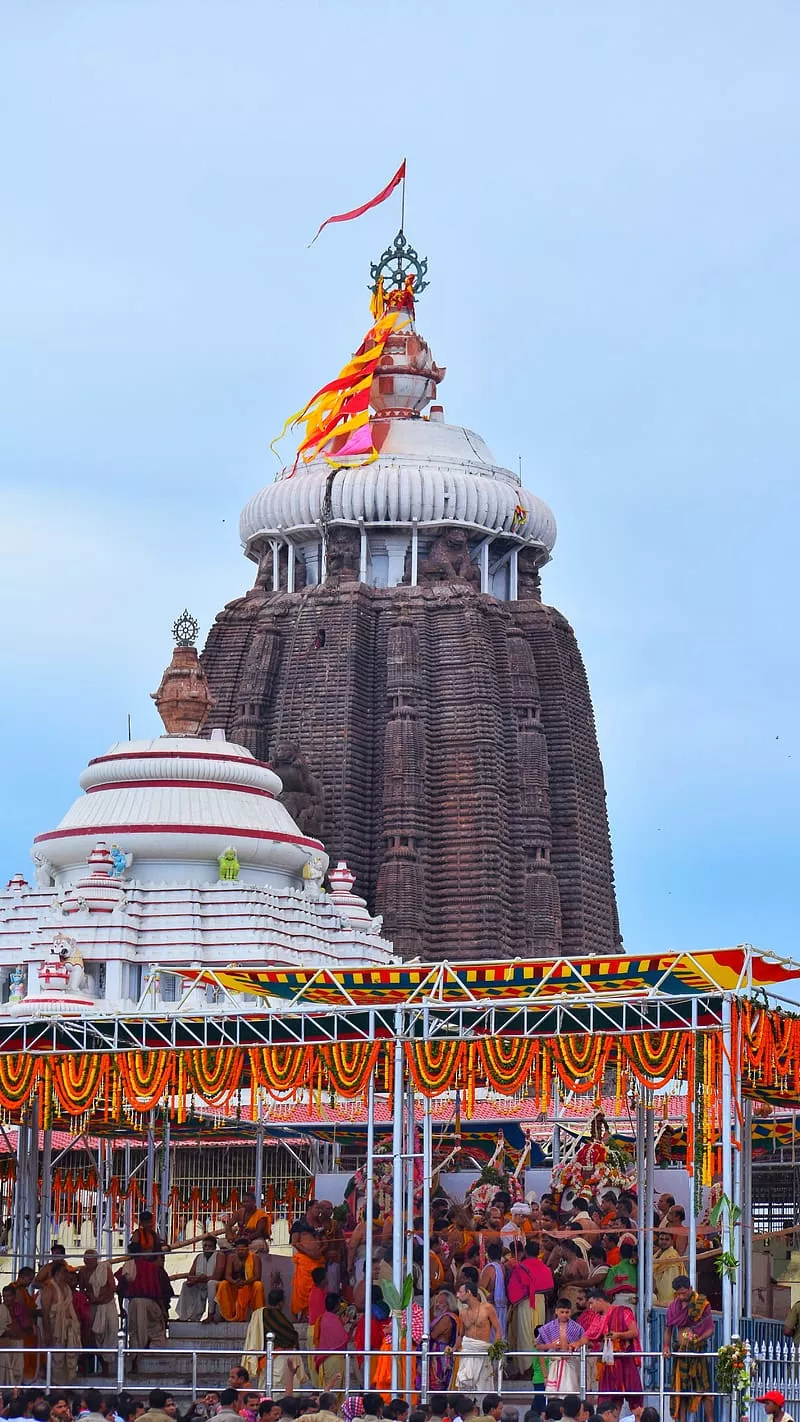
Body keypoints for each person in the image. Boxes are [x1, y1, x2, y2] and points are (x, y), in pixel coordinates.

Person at [663, 1276, 714, 1422]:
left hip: (697, 1352)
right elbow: (668, 1330)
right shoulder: (673, 1306)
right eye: (678, 1294)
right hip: (680, 1353)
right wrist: (666, 1346)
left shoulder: (702, 1304)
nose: (681, 1296)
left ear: (690, 1288)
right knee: (681, 1391)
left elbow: (710, 1329)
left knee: (704, 1390)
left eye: (684, 1293)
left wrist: (698, 1338)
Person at [585, 1290, 642, 1408]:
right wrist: (575, 1345)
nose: (590, 1307)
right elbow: (589, 1335)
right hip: (608, 1362)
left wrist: (618, 1335)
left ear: (600, 1301)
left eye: (591, 1303)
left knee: (635, 1402)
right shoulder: (598, 1318)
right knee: (609, 1404)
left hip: (625, 1361)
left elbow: (634, 1332)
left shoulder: (623, 1312)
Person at [117, 1241, 168, 1367]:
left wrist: (121, 1308)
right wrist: (164, 1310)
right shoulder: (151, 1267)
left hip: (133, 1302)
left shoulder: (127, 1266)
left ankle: (135, 1359)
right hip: (150, 1303)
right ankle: (147, 1350)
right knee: (155, 1329)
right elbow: (158, 1291)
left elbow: (120, 1289)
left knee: (134, 1332)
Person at [508, 1240, 554, 1379]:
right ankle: (536, 1366)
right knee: (537, 1333)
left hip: (525, 1302)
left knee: (524, 1334)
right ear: (538, 1252)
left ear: (526, 1252)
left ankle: (526, 1369)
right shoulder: (545, 1268)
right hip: (539, 1302)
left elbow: (514, 1289)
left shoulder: (520, 1267)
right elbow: (549, 1288)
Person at [453, 1280, 500, 1395]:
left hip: (483, 1351)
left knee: (483, 1387)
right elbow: (461, 1335)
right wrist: (453, 1349)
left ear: (468, 1292)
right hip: (468, 1351)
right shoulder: (463, 1313)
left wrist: (496, 1348)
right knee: (465, 1385)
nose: (457, 1295)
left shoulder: (487, 1308)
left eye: (460, 1292)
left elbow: (498, 1329)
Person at [40, 1258, 81, 1383]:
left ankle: (68, 1384)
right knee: (57, 1358)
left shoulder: (67, 1288)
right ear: (59, 1273)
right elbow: (45, 1312)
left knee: (70, 1356)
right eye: (66, 1272)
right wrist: (47, 1332)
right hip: (55, 1330)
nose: (68, 1274)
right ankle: (57, 1386)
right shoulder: (48, 1287)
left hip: (69, 1328)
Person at [536, 1297, 587, 1397]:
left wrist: (576, 1344)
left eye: (567, 1312)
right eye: (562, 1312)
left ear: (570, 1312)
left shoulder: (576, 1327)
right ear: (556, 1311)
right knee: (554, 1396)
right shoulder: (548, 1327)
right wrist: (552, 1345)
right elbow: (538, 1345)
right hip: (555, 1362)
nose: (564, 1315)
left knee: (570, 1394)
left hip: (571, 1362)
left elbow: (586, 1340)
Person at [79, 1249, 120, 1374]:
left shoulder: (104, 1269)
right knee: (93, 1336)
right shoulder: (83, 1272)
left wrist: (102, 1298)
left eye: (91, 1259)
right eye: (86, 1259)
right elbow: (81, 1289)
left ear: (96, 1259)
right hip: (93, 1307)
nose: (88, 1262)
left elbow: (112, 1287)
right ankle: (92, 1367)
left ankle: (107, 1368)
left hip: (107, 1306)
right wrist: (90, 1297)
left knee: (110, 1333)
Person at [289, 1203, 327, 1318]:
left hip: (318, 1261)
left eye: (320, 1208)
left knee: (317, 1288)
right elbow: (295, 1242)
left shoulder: (320, 1224)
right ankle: (302, 1315)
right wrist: (309, 1252)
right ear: (309, 1208)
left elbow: (325, 1242)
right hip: (305, 1261)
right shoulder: (299, 1224)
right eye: (317, 1207)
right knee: (302, 1289)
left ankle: (315, 1314)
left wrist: (320, 1250)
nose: (319, 1210)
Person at [216, 1242, 266, 1323]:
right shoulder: (231, 1258)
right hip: (235, 1286)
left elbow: (257, 1276)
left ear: (247, 1249)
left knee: (258, 1285)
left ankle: (258, 1316)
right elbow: (227, 1276)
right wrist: (235, 1282)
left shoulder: (255, 1257)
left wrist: (245, 1282)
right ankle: (229, 1315)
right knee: (223, 1284)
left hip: (249, 1286)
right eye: (238, 1250)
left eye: (242, 1250)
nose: (240, 1252)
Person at [178, 1235, 220, 1323]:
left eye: (210, 1246)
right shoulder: (199, 1257)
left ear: (215, 1247)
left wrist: (202, 1279)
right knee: (186, 1285)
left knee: (211, 1283)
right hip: (200, 1283)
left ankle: (211, 1315)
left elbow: (217, 1276)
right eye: (205, 1246)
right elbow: (190, 1276)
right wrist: (198, 1279)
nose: (207, 1248)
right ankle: (183, 1316)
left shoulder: (220, 1256)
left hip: (215, 1284)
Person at [313, 1293, 349, 1390]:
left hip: (328, 1360)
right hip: (333, 1360)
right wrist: (352, 1326)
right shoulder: (333, 1319)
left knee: (331, 1392)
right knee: (332, 1394)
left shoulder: (325, 1317)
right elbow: (344, 1339)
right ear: (337, 1305)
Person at [479, 1242, 508, 1338]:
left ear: (488, 1255)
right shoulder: (504, 1267)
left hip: (492, 1308)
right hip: (503, 1308)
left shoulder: (489, 1269)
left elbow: (481, 1292)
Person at [0, 1282, 24, 1385]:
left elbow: (25, 1325)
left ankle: (14, 1391)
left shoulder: (19, 1308)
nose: (6, 1299)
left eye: (8, 1296)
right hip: (4, 1344)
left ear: (14, 1297)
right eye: (4, 1296)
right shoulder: (2, 1308)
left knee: (16, 1370)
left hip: (16, 1342)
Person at [653, 1232, 683, 1307]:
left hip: (670, 1294)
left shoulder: (672, 1255)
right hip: (659, 1292)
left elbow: (671, 1282)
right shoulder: (657, 1254)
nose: (663, 1241)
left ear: (672, 1241)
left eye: (667, 1239)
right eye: (661, 1239)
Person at [603, 1240, 637, 1306]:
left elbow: (607, 1292)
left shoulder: (614, 1269)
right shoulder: (639, 1268)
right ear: (633, 1254)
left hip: (619, 1301)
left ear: (620, 1255)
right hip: (637, 1302)